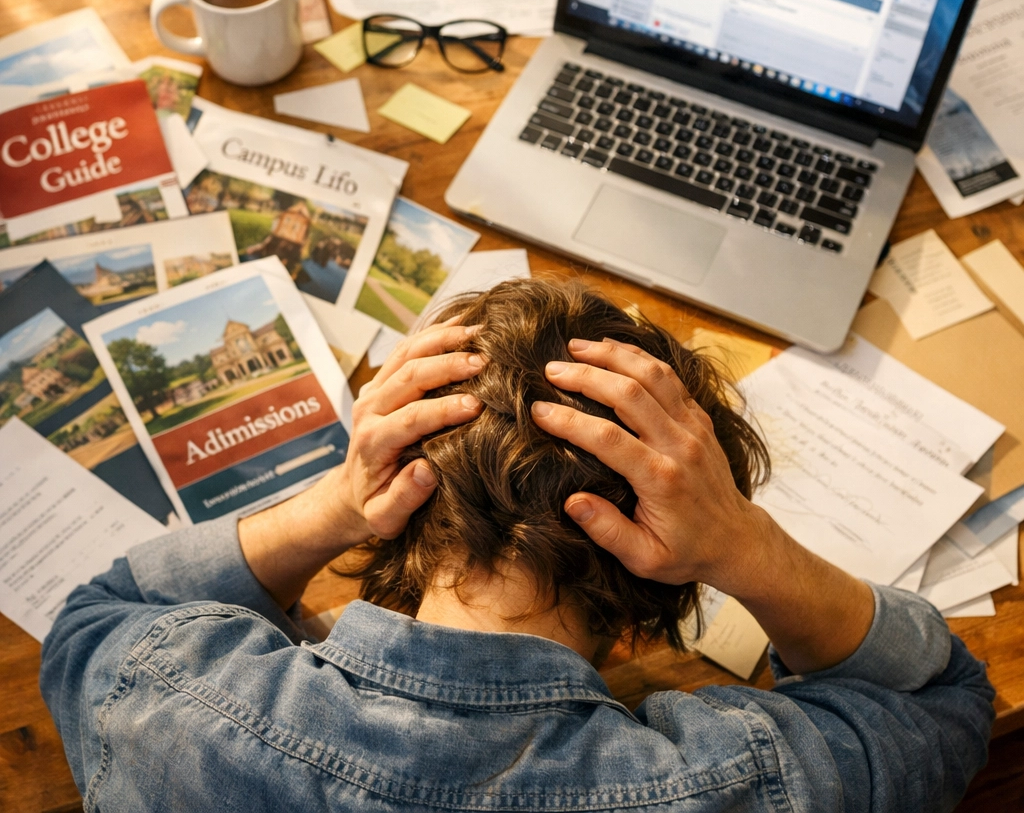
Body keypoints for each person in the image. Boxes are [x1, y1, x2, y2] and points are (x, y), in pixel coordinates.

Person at [40, 280, 994, 813]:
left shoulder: (165, 698)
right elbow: (945, 698)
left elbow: (96, 615)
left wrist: (330, 506)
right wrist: (744, 546)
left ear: (402, 506)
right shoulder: (740, 784)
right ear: (647, 592)